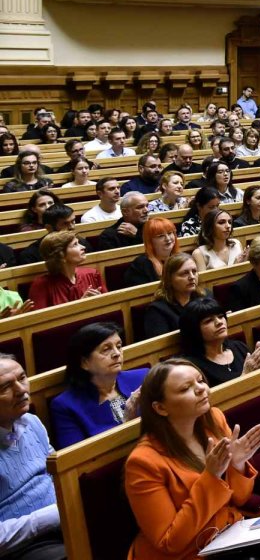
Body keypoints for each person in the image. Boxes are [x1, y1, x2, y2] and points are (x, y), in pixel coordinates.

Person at [124, 359, 260, 560]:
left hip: (228, 536)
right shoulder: (142, 462)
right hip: (187, 553)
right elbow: (169, 541)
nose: (201, 389)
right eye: (186, 388)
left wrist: (237, 464)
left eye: (200, 381)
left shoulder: (214, 419)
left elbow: (239, 499)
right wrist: (212, 476)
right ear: (160, 408)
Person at [0, 353, 65, 560]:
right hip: (27, 546)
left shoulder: (32, 422)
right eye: (5, 387)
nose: (21, 390)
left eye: (22, 378)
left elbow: (56, 475)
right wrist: (51, 517)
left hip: (65, 521)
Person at [48, 323, 147, 448]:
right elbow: (77, 459)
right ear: (85, 363)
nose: (117, 353)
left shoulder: (142, 378)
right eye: (106, 349)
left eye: (119, 346)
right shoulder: (65, 406)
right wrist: (126, 424)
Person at [178, 298, 260, 387]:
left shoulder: (239, 347)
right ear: (194, 330)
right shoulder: (191, 366)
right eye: (208, 321)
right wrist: (245, 375)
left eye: (221, 316)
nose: (219, 322)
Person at [29, 232, 105, 309]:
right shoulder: (41, 285)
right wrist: (80, 306)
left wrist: (100, 302)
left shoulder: (92, 274)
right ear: (61, 255)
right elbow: (40, 319)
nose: (83, 247)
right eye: (75, 244)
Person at [143, 254, 206, 339]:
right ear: (169, 279)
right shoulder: (157, 311)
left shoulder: (205, 297)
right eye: (184, 273)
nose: (192, 277)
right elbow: (161, 347)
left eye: (194, 271)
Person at [124, 217, 179, 288]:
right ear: (150, 241)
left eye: (170, 233)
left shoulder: (180, 257)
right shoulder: (140, 265)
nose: (168, 239)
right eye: (161, 236)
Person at [192, 209, 246, 273]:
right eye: (221, 222)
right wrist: (234, 267)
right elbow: (203, 282)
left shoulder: (236, 244)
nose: (228, 226)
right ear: (210, 227)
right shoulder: (199, 253)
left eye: (230, 222)